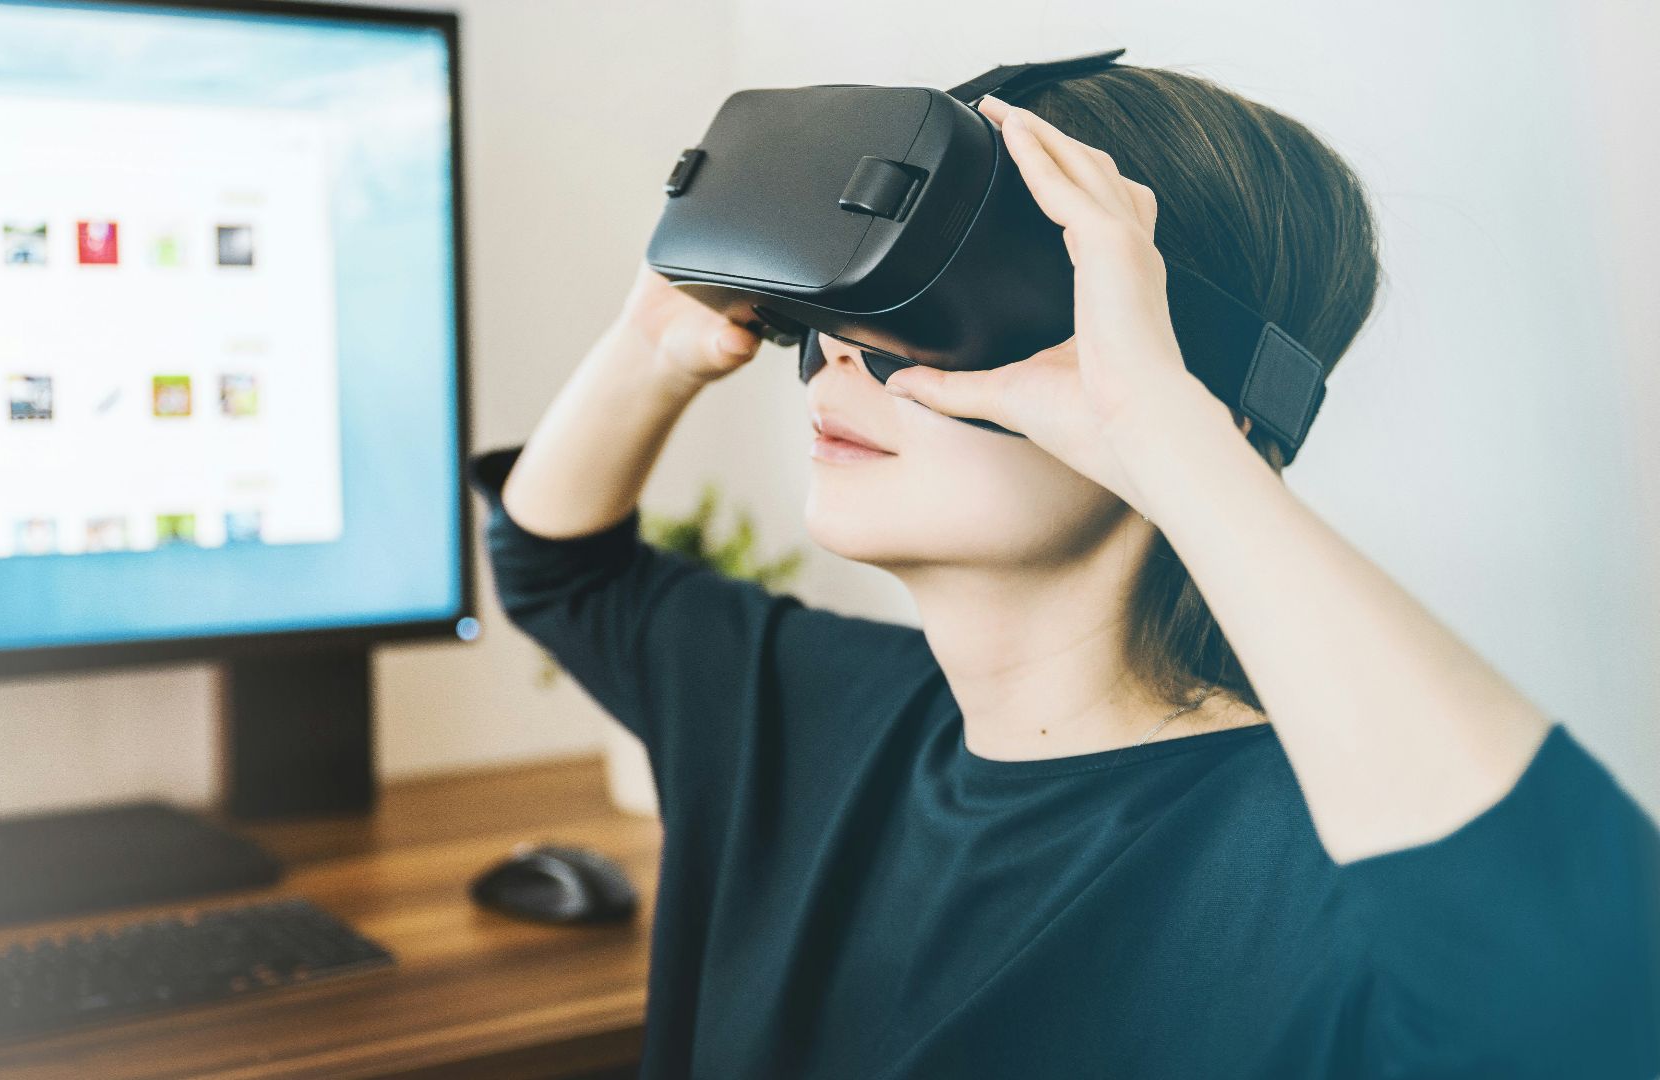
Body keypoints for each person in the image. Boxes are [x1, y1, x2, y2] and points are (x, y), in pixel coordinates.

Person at [465, 64, 1660, 1078]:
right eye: (852, 303)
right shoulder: (811, 712)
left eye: (935, 306)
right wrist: (654, 344)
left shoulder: (1312, 874)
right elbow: (560, 572)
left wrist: (1169, 434)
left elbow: (1588, 993)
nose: (844, 353)